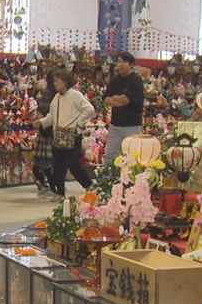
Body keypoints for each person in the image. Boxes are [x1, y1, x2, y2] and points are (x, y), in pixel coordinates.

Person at [36, 68, 95, 197]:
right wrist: (42, 122)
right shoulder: (56, 98)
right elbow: (52, 116)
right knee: (57, 167)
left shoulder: (75, 95)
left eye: (57, 80)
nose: (55, 83)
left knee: (73, 164)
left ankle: (88, 186)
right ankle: (60, 193)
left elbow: (89, 110)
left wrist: (78, 125)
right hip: (58, 135)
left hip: (72, 135)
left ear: (65, 81)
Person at [102, 51, 144, 166]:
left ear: (131, 64)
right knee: (110, 156)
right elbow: (106, 99)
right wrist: (117, 100)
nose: (120, 65)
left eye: (124, 62)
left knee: (132, 157)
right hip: (115, 125)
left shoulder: (136, 80)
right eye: (119, 62)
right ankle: (109, 176)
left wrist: (115, 99)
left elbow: (126, 100)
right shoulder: (114, 80)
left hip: (131, 126)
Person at [32, 73, 57, 199]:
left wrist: (40, 118)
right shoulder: (54, 95)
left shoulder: (51, 96)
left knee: (44, 167)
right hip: (48, 134)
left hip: (48, 135)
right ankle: (48, 187)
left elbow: (43, 113)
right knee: (42, 167)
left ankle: (51, 188)